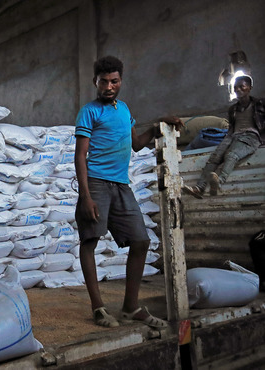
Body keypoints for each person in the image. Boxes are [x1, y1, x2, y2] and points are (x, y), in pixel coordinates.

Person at [74, 56, 184, 328]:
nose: (109, 86)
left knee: (141, 241)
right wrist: (86, 196)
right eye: (104, 81)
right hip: (97, 184)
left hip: (121, 186)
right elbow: (80, 155)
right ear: (95, 82)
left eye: (114, 81)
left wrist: (158, 124)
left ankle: (130, 307)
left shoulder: (124, 109)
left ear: (121, 81)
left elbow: (135, 144)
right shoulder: (89, 111)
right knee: (90, 241)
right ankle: (98, 308)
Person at [183, 75, 264, 198]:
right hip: (233, 135)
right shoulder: (233, 109)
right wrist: (227, 139)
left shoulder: (259, 104)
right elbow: (232, 126)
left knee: (232, 155)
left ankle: (219, 182)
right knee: (214, 158)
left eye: (242, 86)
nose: (238, 90)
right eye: (235, 88)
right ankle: (199, 188)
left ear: (250, 88)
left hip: (251, 137)